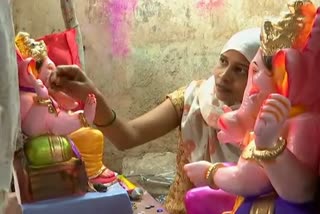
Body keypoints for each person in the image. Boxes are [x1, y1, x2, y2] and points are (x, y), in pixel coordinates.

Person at [48, 28, 260, 213]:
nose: (223, 76)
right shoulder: (192, 98)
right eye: (223, 61)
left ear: (258, 76)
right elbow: (127, 136)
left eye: (240, 70)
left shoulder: (270, 121)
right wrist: (92, 96)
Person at [184, 0, 320, 213]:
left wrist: (212, 173)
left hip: (278, 205)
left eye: (251, 71)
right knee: (196, 198)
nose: (225, 75)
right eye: (222, 61)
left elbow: (298, 190)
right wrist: (243, 135)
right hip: (251, 189)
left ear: (284, 76)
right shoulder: (274, 117)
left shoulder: (303, 123)